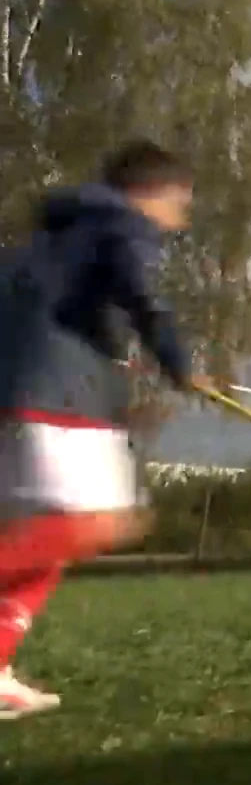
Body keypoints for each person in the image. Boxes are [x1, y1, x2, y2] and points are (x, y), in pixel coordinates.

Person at [0, 140, 205, 720]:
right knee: (98, 524)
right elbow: (144, 294)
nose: (179, 221)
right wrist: (178, 363)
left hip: (19, 392)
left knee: (47, 539)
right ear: (154, 194)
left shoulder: (47, 241)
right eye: (180, 205)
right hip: (59, 394)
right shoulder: (120, 224)